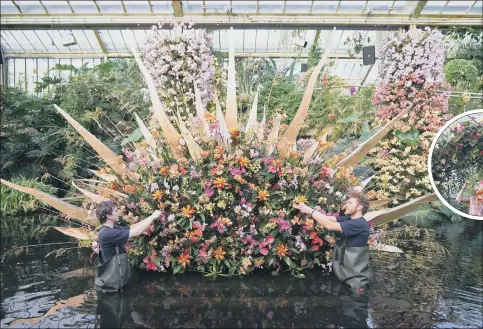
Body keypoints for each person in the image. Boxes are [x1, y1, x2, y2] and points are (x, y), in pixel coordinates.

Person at [294, 192, 371, 291]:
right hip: (347, 275)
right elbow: (326, 218)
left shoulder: (359, 223)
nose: (346, 205)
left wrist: (310, 211)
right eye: (347, 202)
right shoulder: (349, 219)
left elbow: (329, 225)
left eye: (350, 203)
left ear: (359, 207)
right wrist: (308, 209)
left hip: (356, 282)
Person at [93, 200, 161, 292]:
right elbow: (136, 232)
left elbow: (132, 228)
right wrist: (153, 217)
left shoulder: (110, 229)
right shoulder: (108, 233)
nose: (118, 213)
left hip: (115, 280)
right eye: (116, 211)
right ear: (109, 216)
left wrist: (150, 217)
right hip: (113, 286)